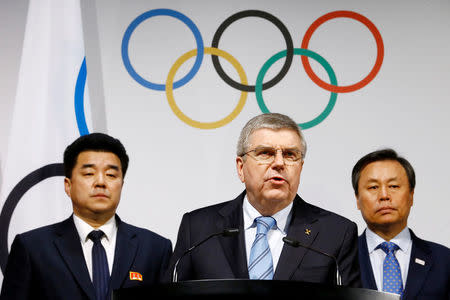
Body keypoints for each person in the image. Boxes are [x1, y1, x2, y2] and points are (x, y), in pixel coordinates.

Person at [166, 113, 361, 287]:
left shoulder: (336, 233)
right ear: (241, 168)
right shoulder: (199, 229)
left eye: (290, 155)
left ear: (300, 167)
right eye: (265, 153)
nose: (279, 163)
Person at [0, 133, 172, 300]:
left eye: (111, 175)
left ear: (122, 184)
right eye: (89, 173)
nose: (101, 182)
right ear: (68, 185)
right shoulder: (32, 247)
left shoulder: (155, 248)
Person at [352, 148, 450, 299]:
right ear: (357, 199)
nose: (384, 195)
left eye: (393, 186)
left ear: (411, 195)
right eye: (373, 187)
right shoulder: (340, 259)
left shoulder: (444, 260)